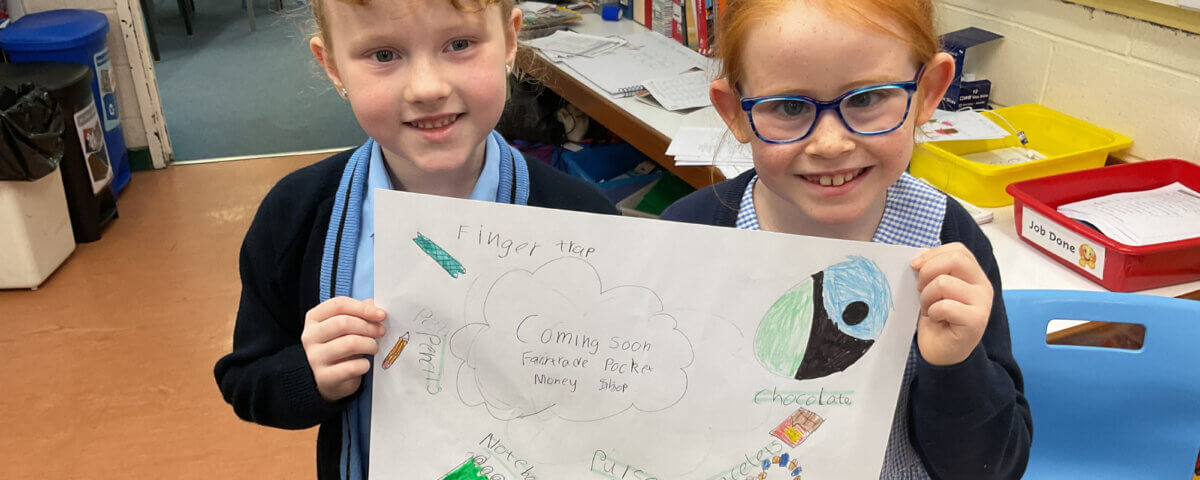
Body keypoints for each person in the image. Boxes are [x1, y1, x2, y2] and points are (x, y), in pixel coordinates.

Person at [212, 0, 617, 477]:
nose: (427, 88)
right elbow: (245, 380)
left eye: (460, 44)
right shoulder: (297, 214)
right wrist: (310, 376)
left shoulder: (585, 224)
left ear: (509, 42)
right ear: (333, 66)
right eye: (384, 55)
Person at [660, 0, 1032, 478]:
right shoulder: (688, 236)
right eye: (789, 107)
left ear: (928, 92)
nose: (831, 144)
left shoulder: (946, 241)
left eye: (866, 98)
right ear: (735, 113)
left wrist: (957, 367)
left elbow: (993, 469)